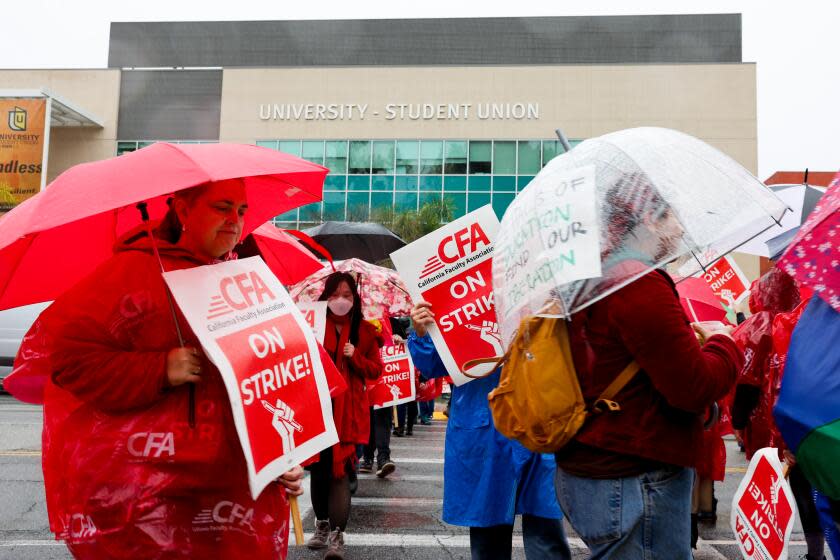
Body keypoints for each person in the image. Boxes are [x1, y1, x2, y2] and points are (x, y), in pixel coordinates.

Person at [29, 179, 304, 559]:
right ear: (182, 210)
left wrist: (283, 457)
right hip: (142, 490)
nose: (234, 221)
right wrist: (159, 368)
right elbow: (68, 361)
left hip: (231, 492)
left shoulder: (248, 283)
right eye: (222, 207)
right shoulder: (129, 272)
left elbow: (273, 380)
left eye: (241, 211)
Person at [552, 174, 744, 559]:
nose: (681, 227)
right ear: (648, 220)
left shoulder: (593, 275)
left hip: (597, 468)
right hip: (636, 479)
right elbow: (693, 387)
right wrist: (726, 341)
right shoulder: (638, 283)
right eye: (672, 216)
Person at [408, 302, 572, 560]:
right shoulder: (460, 300)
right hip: (483, 427)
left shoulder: (545, 291)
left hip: (541, 420)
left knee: (546, 532)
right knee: (489, 534)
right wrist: (421, 332)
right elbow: (433, 366)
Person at [306, 272, 384, 559]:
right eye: (336, 294)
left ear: (355, 298)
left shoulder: (364, 330)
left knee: (339, 472)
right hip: (318, 408)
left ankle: (338, 535)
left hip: (348, 412)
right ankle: (322, 526)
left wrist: (356, 357)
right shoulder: (312, 325)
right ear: (326, 296)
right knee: (318, 469)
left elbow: (376, 370)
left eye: (347, 295)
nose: (341, 300)